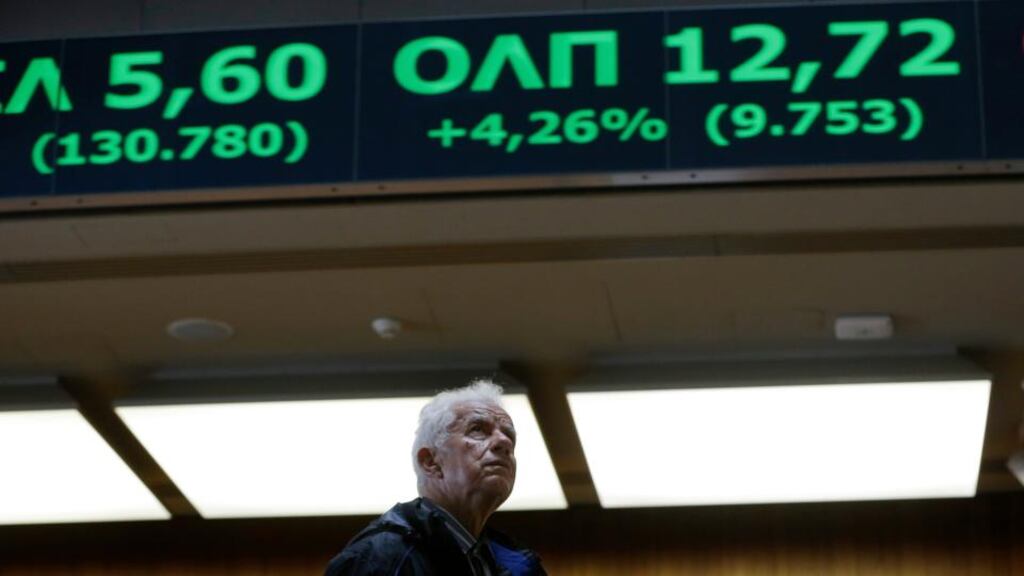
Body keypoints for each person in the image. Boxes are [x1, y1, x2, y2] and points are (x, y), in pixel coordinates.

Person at [324, 379, 547, 576]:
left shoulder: (517, 564)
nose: (504, 442)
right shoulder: (379, 558)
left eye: (508, 435)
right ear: (430, 462)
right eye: (478, 430)